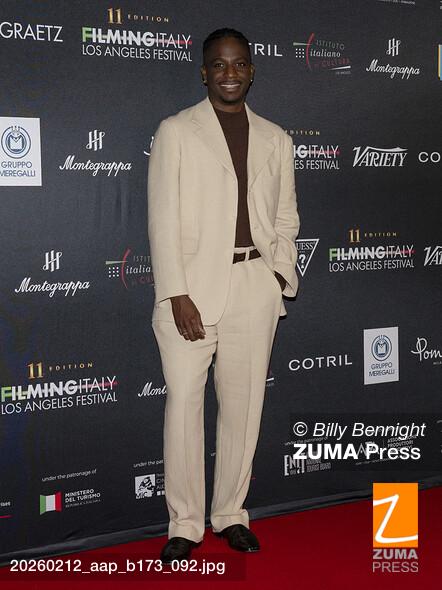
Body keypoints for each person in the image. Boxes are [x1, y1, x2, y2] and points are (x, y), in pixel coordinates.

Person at [147, 27, 300, 564]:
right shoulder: (176, 131)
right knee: (184, 408)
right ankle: (185, 524)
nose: (229, 73)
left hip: (253, 285)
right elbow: (162, 219)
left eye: (238, 64)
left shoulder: (277, 138)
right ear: (204, 72)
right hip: (190, 291)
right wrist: (176, 292)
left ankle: (231, 514)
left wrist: (276, 277)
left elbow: (286, 217)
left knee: (243, 409)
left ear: (252, 71)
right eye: (219, 64)